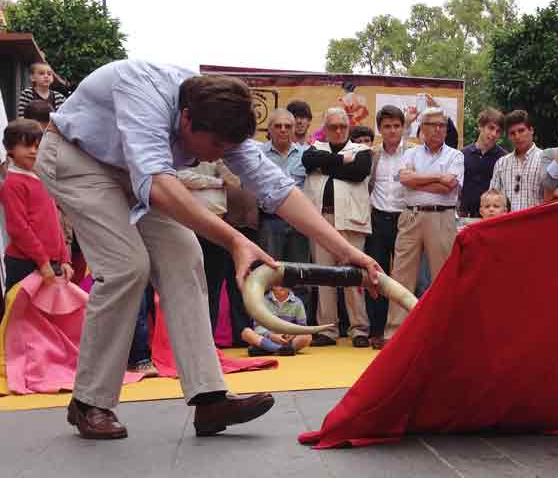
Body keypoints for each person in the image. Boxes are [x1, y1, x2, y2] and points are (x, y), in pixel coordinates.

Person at [35, 60, 382, 440]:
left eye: (227, 148)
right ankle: (89, 402)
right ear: (185, 120)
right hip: (77, 156)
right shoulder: (143, 94)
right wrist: (235, 239)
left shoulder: (220, 118)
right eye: (215, 147)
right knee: (126, 266)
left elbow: (276, 188)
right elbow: (156, 183)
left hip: (132, 172)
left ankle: (209, 398)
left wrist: (347, 251)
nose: (219, 155)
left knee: (185, 255)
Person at [384, 107, 464, 342]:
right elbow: (405, 180)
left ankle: (444, 333)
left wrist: (418, 181)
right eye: (433, 125)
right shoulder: (409, 153)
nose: (439, 129)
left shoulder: (455, 156)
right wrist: (438, 177)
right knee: (401, 274)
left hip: (442, 217)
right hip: (410, 216)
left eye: (443, 125)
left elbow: (448, 187)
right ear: (423, 129)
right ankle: (395, 333)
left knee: (443, 276)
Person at [302, 108, 373, 348]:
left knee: (354, 276)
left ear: (349, 127)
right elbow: (309, 162)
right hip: (321, 220)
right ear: (326, 128)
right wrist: (341, 161)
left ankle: (359, 329)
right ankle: (327, 330)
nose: (339, 130)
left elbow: (358, 172)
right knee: (323, 275)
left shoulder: (362, 151)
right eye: (333, 127)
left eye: (343, 126)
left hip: (351, 222)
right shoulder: (314, 150)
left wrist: (329, 165)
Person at [177, 161, 251, 346]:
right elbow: (180, 177)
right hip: (190, 225)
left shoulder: (219, 157)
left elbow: (235, 182)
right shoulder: (183, 150)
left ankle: (206, 342)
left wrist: (221, 162)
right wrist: (216, 182)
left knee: (213, 288)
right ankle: (188, 342)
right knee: (190, 286)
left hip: (218, 225)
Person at [0, 120, 73, 303]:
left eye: (37, 146)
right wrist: (43, 261)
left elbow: (55, 221)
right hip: (25, 263)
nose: (33, 151)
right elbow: (19, 229)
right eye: (26, 145)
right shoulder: (12, 183)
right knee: (21, 321)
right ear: (10, 148)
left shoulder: (42, 176)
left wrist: (64, 258)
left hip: (49, 262)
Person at [365, 105, 413, 349]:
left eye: (397, 126)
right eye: (387, 126)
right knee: (377, 276)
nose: (392, 130)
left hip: (406, 220)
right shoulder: (373, 155)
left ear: (403, 128)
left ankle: (403, 330)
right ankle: (376, 330)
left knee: (404, 278)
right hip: (377, 219)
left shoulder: (413, 154)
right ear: (380, 129)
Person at [259, 109, 311, 312]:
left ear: (293, 129)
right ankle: (268, 329)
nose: (283, 130)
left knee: (301, 275)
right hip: (270, 221)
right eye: (278, 126)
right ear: (269, 129)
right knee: (269, 276)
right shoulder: (259, 155)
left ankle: (299, 328)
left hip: (300, 223)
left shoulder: (306, 155)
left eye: (287, 126)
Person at [490, 110, 545, 211]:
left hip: (537, 222)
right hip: (508, 224)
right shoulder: (501, 163)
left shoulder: (545, 159)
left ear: (531, 130)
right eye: (512, 133)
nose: (517, 136)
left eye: (521, 130)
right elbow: (492, 200)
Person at [460, 108, 506, 218]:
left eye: (498, 131)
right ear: (480, 127)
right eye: (491, 128)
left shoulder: (503, 158)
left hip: (491, 218)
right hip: (465, 216)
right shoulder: (462, 155)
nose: (494, 134)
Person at [240, 285, 311, 357]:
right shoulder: (262, 301)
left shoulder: (298, 302)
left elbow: (302, 326)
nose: (282, 286)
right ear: (272, 285)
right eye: (278, 284)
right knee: (246, 333)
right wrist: (271, 336)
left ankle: (267, 349)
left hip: (287, 340)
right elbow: (258, 326)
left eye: (286, 283)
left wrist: (293, 334)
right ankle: (280, 349)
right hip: (268, 338)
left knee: (307, 336)